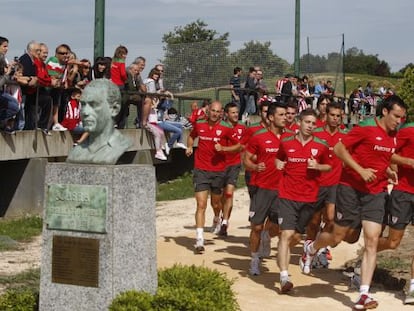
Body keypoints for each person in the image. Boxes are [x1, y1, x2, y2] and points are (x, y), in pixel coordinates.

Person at [301, 95, 407, 310]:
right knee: (338, 235)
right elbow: (340, 150)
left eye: (402, 118)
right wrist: (359, 170)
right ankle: (311, 249)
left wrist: (386, 170)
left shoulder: (395, 137)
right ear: (385, 112)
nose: (399, 121)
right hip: (350, 189)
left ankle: (363, 295)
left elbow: (382, 156)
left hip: (375, 192)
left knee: (372, 240)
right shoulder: (365, 129)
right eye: (396, 116)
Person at [276, 108, 331, 294]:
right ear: (299, 122)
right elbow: (278, 158)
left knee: (296, 237)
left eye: (314, 123)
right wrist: (278, 163)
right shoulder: (285, 141)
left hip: (309, 198)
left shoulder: (321, 145)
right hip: (287, 195)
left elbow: (329, 166)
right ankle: (284, 277)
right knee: (286, 234)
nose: (310, 126)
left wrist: (318, 166)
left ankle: (288, 252)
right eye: (307, 122)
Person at [185, 101, 240, 254]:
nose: (215, 114)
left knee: (216, 203)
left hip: (218, 171)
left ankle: (217, 217)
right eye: (213, 111)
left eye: (218, 111)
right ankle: (199, 239)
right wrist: (190, 146)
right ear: (208, 111)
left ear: (221, 113)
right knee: (201, 204)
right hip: (201, 169)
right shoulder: (200, 124)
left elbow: (239, 146)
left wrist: (223, 148)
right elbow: (191, 136)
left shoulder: (227, 128)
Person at [243, 101, 288, 275]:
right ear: (271, 117)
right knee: (256, 227)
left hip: (283, 191)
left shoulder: (291, 137)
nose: (285, 118)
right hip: (261, 188)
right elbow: (246, 159)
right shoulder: (259, 136)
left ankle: (267, 237)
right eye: (281, 115)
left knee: (279, 227)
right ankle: (254, 260)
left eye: (286, 115)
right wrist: (254, 167)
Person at [305, 101, 348, 267]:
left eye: (338, 116)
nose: (335, 118)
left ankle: (320, 248)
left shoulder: (344, 136)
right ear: (326, 115)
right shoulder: (316, 134)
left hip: (335, 184)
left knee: (330, 219)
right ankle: (308, 248)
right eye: (332, 115)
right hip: (316, 183)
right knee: (314, 221)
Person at [375, 120, 414, 304]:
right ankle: (369, 252)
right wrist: (407, 161)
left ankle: (413, 287)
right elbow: (388, 153)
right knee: (393, 242)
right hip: (404, 192)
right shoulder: (408, 132)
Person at [66, 79, 132, 165]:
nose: (85, 112)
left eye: (94, 105)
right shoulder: (76, 152)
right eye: (83, 104)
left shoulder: (121, 145)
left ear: (114, 109)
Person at [217, 102, 247, 237]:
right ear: (226, 114)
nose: (235, 115)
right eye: (233, 112)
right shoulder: (220, 127)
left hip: (234, 164)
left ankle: (225, 222)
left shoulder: (242, 128)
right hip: (219, 165)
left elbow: (245, 146)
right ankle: (218, 215)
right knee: (217, 197)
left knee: (229, 193)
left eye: (237, 112)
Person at [46, 43, 72, 131]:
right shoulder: (53, 60)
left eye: (66, 53)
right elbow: (53, 76)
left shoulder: (64, 63)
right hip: (48, 89)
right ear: (56, 54)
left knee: (56, 105)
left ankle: (55, 123)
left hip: (57, 89)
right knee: (51, 106)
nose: (65, 55)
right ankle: (50, 125)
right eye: (62, 53)